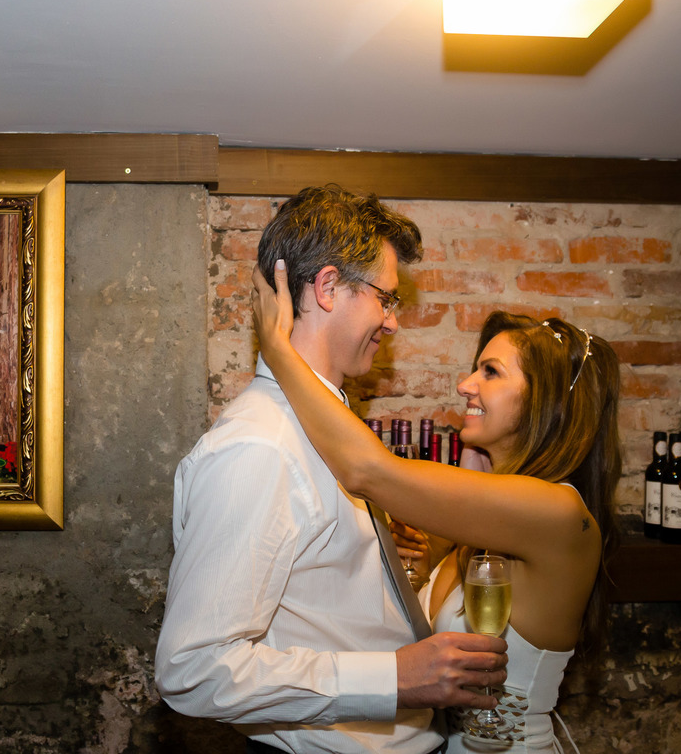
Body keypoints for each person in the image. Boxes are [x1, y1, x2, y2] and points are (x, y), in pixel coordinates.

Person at [156, 186, 508, 754]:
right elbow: (192, 670)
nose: (392, 323)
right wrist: (392, 679)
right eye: (385, 299)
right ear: (326, 288)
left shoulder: (328, 428)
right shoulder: (258, 448)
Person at [251, 257, 621, 753]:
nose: (466, 385)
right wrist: (431, 566)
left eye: (491, 372)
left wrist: (278, 349)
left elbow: (366, 471)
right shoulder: (495, 521)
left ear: (543, 401)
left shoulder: (557, 512)